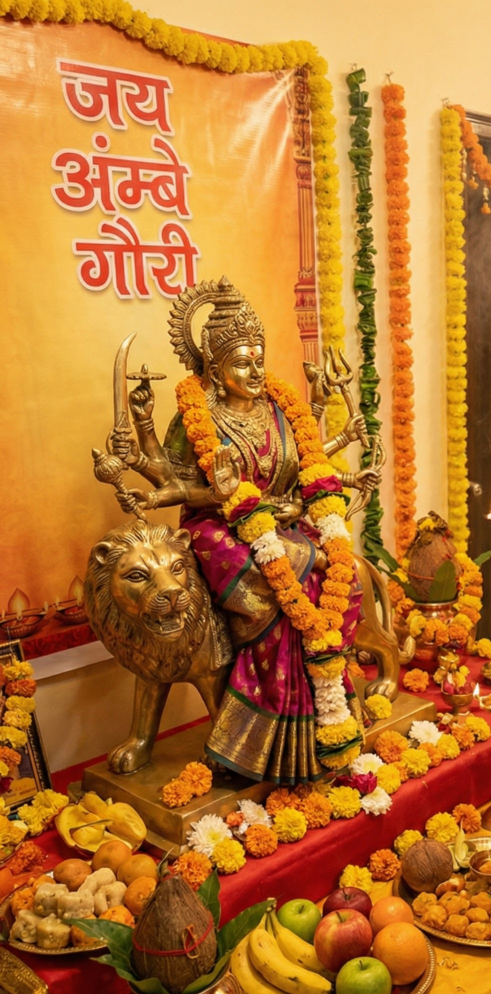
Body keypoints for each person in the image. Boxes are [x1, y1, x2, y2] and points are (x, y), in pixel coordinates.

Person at [117, 277, 379, 784]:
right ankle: (266, 747)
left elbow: (310, 474)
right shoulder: (197, 418)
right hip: (218, 528)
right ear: (213, 367)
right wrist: (145, 425)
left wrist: (299, 505)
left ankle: (332, 721)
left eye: (260, 357)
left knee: (338, 575)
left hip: (282, 520)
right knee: (277, 588)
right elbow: (178, 483)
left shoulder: (284, 410)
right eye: (241, 360)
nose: (256, 369)